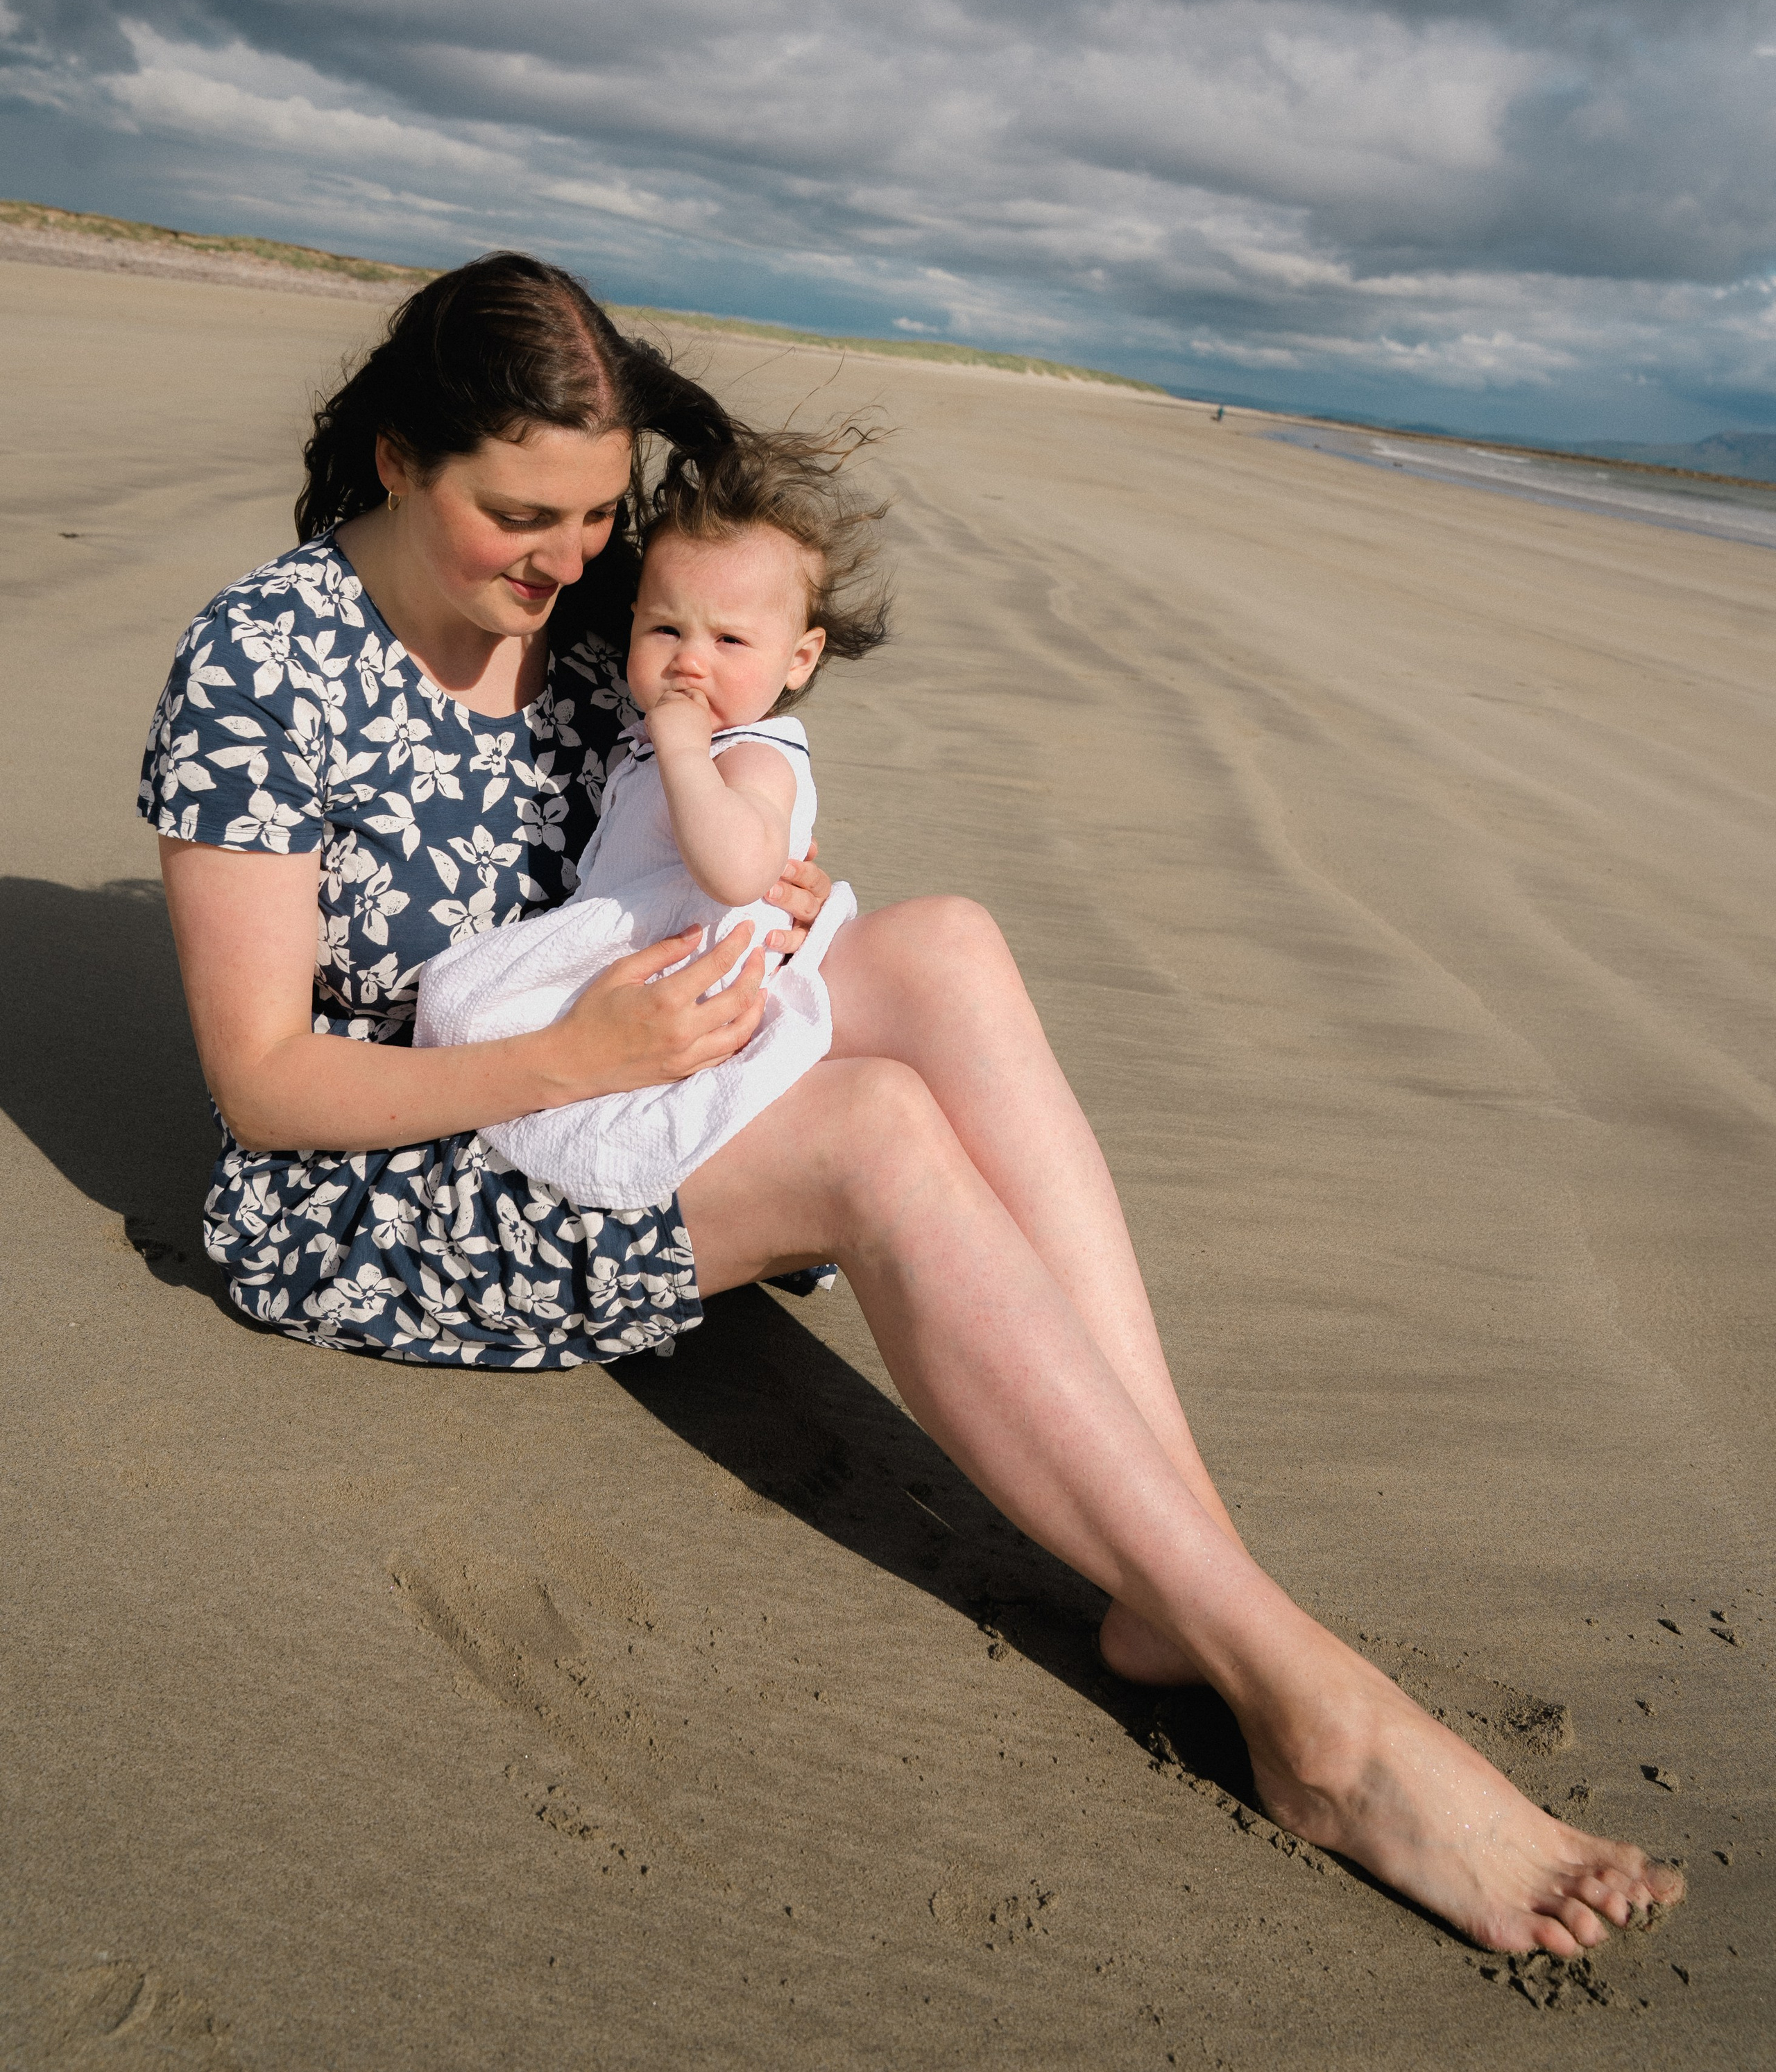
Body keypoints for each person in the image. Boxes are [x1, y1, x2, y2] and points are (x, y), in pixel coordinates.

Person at [144, 252, 1682, 1958]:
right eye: (523, 514)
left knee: (941, 944)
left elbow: (710, 773)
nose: (571, 562)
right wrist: (568, 1061)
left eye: (597, 520)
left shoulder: (586, 615)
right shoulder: (265, 662)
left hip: (614, 1054)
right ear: (395, 461)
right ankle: (1317, 1717)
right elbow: (267, 1091)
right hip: (392, 1176)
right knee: (877, 1130)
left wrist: (773, 895)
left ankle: (1187, 1582)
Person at [413, 422, 887, 1224]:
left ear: (799, 660)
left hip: (691, 988)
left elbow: (737, 871)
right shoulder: (678, 745)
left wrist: (681, 750)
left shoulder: (753, 756)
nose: (689, 661)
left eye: (731, 639)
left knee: (466, 1007)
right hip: (644, 977)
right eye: (666, 628)